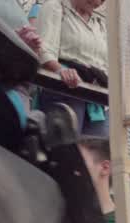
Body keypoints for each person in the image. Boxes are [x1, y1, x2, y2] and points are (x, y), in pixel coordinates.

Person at [34, 0, 110, 135]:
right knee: (66, 148)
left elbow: (105, 62)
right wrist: (61, 70)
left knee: (98, 151)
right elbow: (44, 51)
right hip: (65, 88)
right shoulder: (56, 7)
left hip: (96, 98)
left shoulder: (100, 22)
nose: (98, 2)